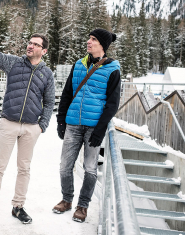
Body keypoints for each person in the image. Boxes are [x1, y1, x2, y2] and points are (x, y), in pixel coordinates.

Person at [0, 14, 55, 224]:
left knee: (24, 169)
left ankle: (18, 206)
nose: (30, 46)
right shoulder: (14, 64)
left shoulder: (47, 74)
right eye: (29, 43)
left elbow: (50, 102)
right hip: (8, 124)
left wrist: (42, 126)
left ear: (44, 50)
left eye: (35, 44)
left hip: (31, 128)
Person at [53, 28, 121, 223]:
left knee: (90, 169)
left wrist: (100, 130)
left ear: (102, 45)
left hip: (94, 128)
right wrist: (61, 120)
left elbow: (112, 104)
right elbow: (67, 93)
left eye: (93, 39)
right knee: (65, 167)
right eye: (89, 38)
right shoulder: (78, 65)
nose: (88, 42)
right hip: (73, 124)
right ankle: (66, 200)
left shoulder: (112, 70)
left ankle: (82, 206)